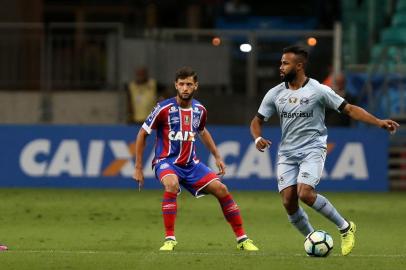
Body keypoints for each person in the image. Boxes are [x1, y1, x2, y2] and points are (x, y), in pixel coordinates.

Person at [250, 45, 399, 256]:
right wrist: (257, 138)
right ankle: (313, 238)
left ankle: (345, 227)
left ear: (299, 66)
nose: (280, 67)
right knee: (288, 201)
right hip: (287, 153)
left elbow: (349, 109)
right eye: (281, 63)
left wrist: (378, 122)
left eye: (285, 63)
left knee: (305, 193)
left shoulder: (318, 90)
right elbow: (256, 122)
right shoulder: (275, 93)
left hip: (313, 148)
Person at [133, 66, 259, 251]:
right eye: (182, 84)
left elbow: (202, 131)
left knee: (221, 189)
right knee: (171, 184)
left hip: (191, 164)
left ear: (195, 86)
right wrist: (137, 167)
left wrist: (217, 156)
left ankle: (243, 239)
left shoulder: (200, 110)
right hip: (166, 162)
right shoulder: (163, 108)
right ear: (176, 85)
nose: (185, 88)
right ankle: (170, 239)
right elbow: (142, 134)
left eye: (189, 84)